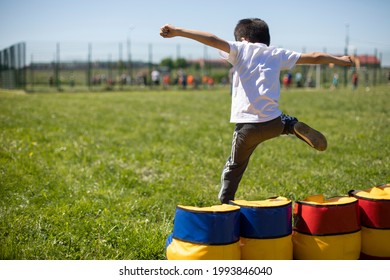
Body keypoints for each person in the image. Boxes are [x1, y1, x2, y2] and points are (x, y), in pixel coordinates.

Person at [160, 18, 354, 204]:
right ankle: (293, 126)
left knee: (234, 166)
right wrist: (339, 59)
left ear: (243, 39)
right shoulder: (277, 53)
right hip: (273, 123)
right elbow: (315, 57)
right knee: (285, 122)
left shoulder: (240, 48)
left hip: (247, 128)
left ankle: (226, 203)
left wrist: (178, 31)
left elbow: (212, 39)